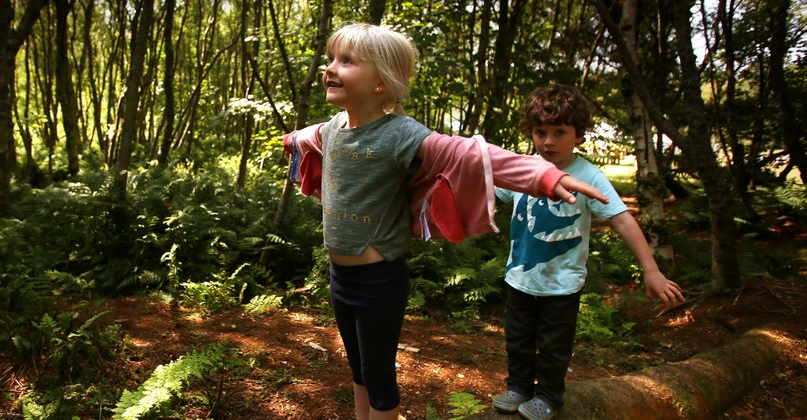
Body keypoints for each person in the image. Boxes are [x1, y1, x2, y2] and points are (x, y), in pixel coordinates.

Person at [287, 24, 610, 420]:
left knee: (378, 377)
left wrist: (545, 176)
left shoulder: (401, 134)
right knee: (358, 372)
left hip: (378, 281)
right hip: (341, 278)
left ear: (381, 84)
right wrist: (292, 140)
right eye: (332, 58)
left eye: (347, 61)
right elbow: (308, 137)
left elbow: (472, 155)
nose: (331, 68)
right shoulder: (332, 129)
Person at [491, 83, 686, 420]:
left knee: (554, 344)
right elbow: (491, 192)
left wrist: (650, 269)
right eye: (540, 132)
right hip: (520, 276)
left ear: (579, 135)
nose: (548, 141)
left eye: (559, 132)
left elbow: (622, 220)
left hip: (563, 282)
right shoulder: (524, 167)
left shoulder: (589, 175)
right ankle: (519, 386)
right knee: (518, 337)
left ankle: (549, 394)